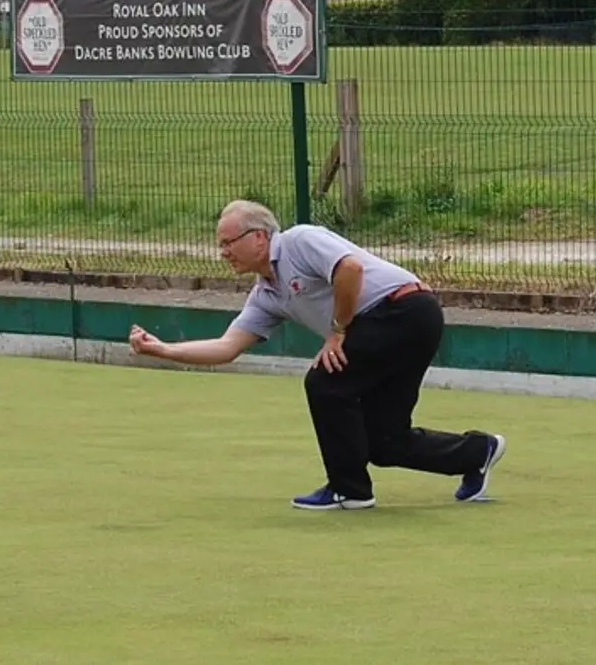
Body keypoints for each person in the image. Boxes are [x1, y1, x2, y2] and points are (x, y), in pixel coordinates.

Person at [127, 200, 508, 510]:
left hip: (403, 310)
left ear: (259, 237)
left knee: (325, 381)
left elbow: (349, 268)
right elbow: (227, 348)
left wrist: (338, 331)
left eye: (228, 242)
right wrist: (162, 349)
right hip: (399, 323)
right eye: (220, 245)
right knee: (383, 442)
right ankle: (477, 452)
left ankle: (349, 491)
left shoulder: (299, 240)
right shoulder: (266, 294)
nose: (223, 253)